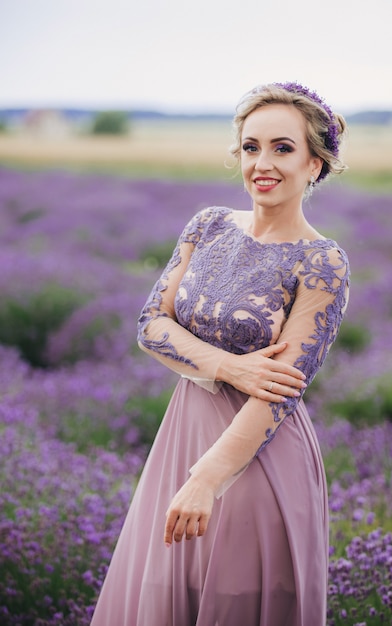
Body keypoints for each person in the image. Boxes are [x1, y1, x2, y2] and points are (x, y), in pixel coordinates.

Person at [90, 82, 350, 626]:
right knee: (162, 597)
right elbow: (150, 324)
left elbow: (281, 389)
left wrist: (208, 478)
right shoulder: (206, 225)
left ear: (315, 163)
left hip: (256, 456)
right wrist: (228, 365)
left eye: (283, 148)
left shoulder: (323, 263)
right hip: (180, 438)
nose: (262, 162)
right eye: (251, 147)